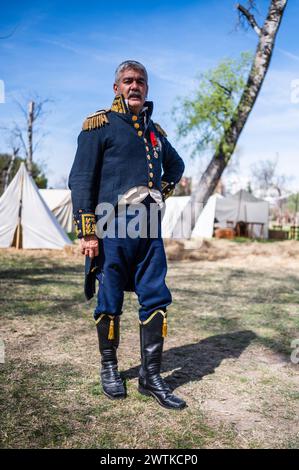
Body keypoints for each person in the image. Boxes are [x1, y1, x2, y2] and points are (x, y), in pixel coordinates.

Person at [68, 60, 186, 410]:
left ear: (147, 88)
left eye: (141, 81)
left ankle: (151, 378)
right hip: (111, 227)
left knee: (156, 298)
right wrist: (88, 232)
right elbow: (81, 179)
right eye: (128, 81)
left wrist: (160, 193)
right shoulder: (99, 125)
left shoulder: (154, 131)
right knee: (110, 300)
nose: (135, 86)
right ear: (116, 87)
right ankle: (109, 368)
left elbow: (177, 167)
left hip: (149, 230)